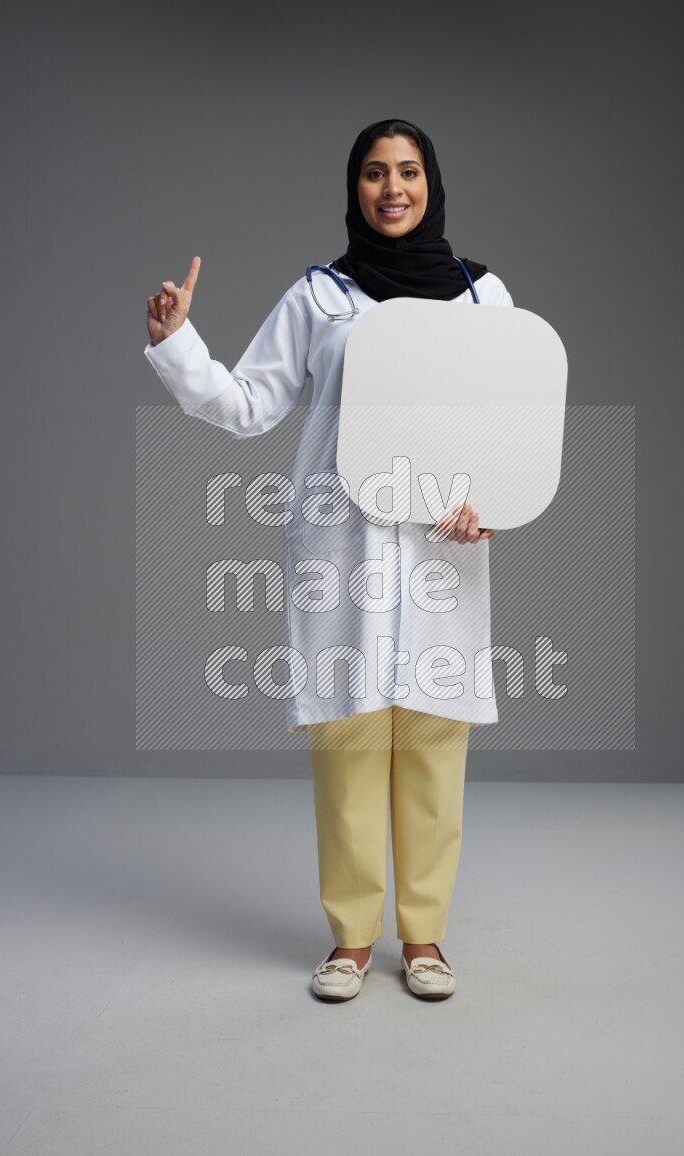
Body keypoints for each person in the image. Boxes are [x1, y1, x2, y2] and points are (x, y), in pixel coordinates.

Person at [144, 118, 514, 1002]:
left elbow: (506, 424)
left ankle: (423, 940)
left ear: (432, 183)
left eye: (410, 172)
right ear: (354, 188)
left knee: (429, 740)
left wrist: (490, 505)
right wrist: (178, 344)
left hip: (437, 552)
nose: (394, 189)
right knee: (347, 741)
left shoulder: (481, 295)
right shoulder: (321, 297)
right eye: (376, 174)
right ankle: (351, 940)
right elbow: (247, 405)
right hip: (342, 547)